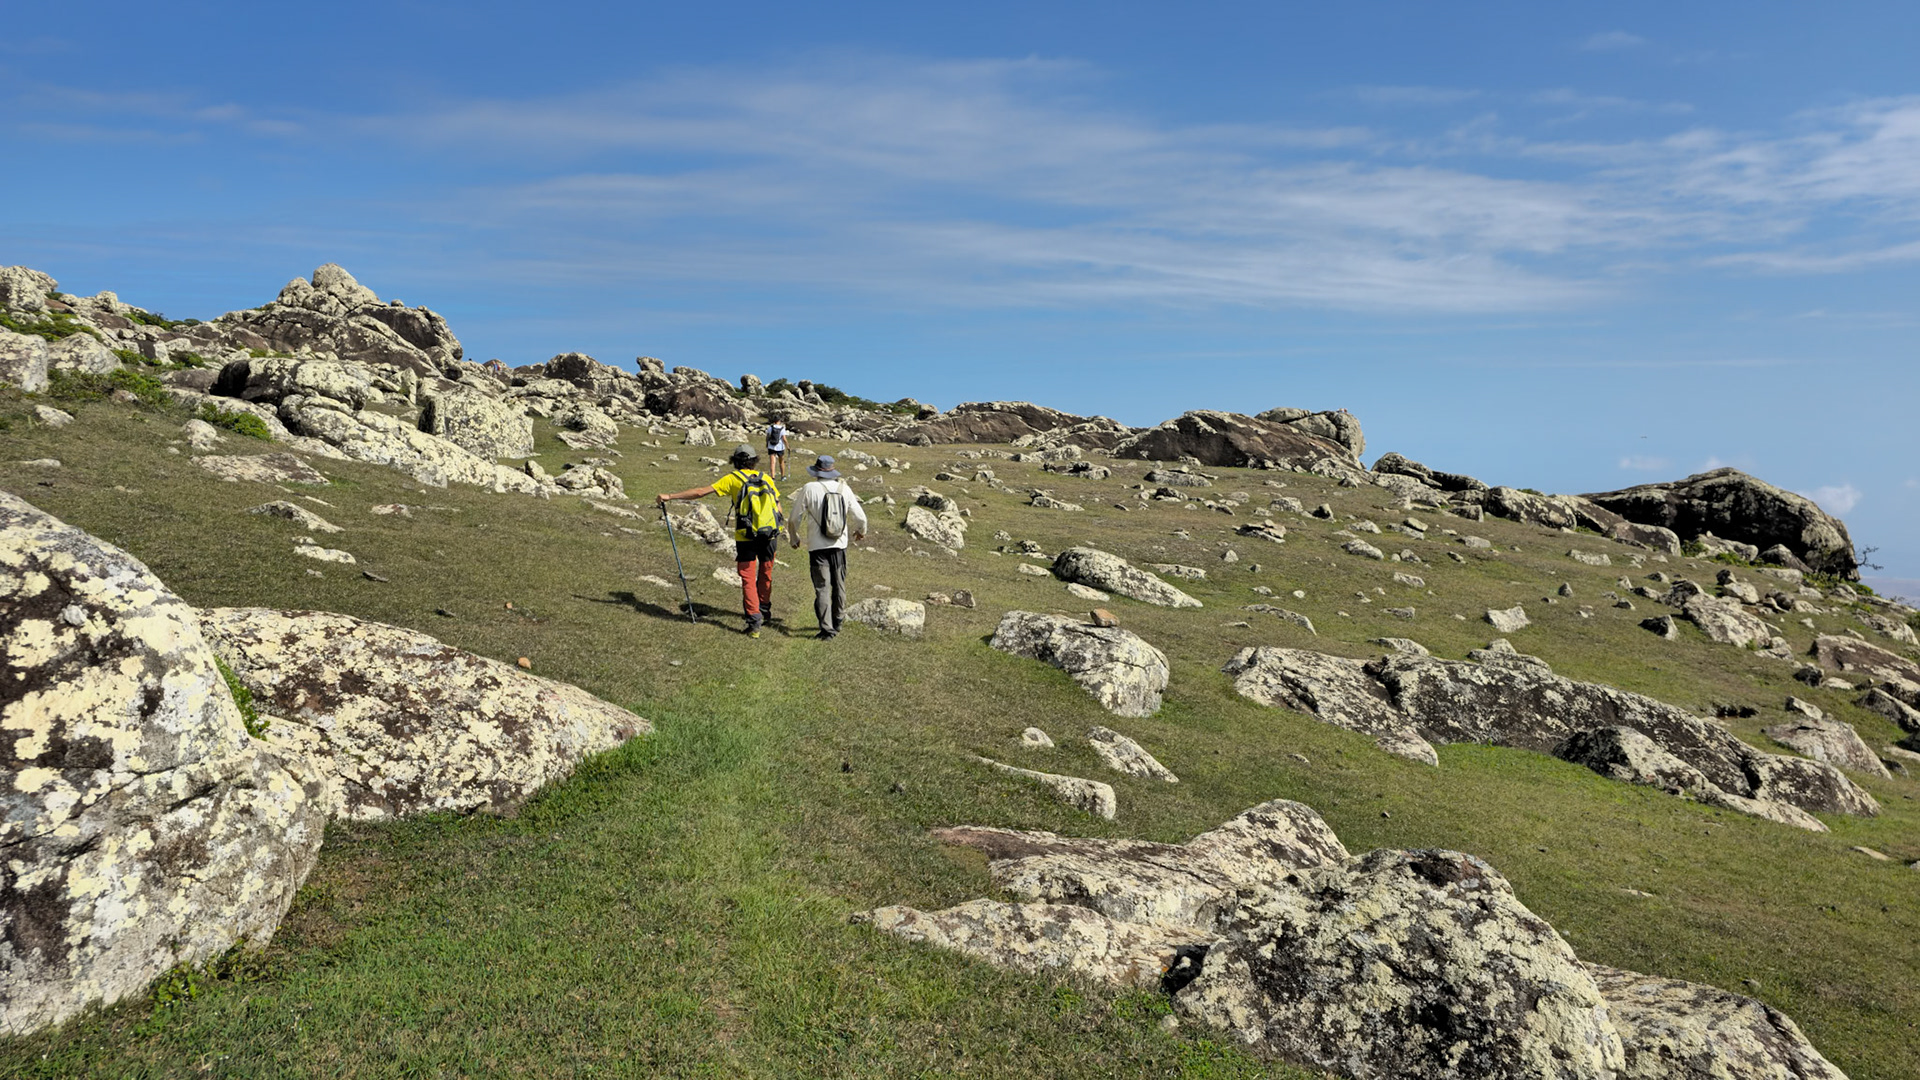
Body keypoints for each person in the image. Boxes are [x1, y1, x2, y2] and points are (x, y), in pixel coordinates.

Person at [657, 444, 783, 637]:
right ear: (754, 461)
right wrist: (778, 527)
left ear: (735, 461)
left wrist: (670, 496)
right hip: (770, 535)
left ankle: (754, 622)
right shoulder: (766, 478)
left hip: (746, 536)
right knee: (766, 573)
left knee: (748, 578)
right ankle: (764, 610)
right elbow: (777, 505)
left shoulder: (733, 479)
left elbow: (701, 492)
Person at [787, 454, 868, 639]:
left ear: (817, 472)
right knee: (839, 584)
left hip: (817, 546)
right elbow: (861, 517)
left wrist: (794, 537)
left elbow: (793, 518)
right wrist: (861, 531)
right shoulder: (844, 488)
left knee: (822, 587)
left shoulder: (809, 488)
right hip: (839, 544)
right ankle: (838, 620)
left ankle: (826, 629)